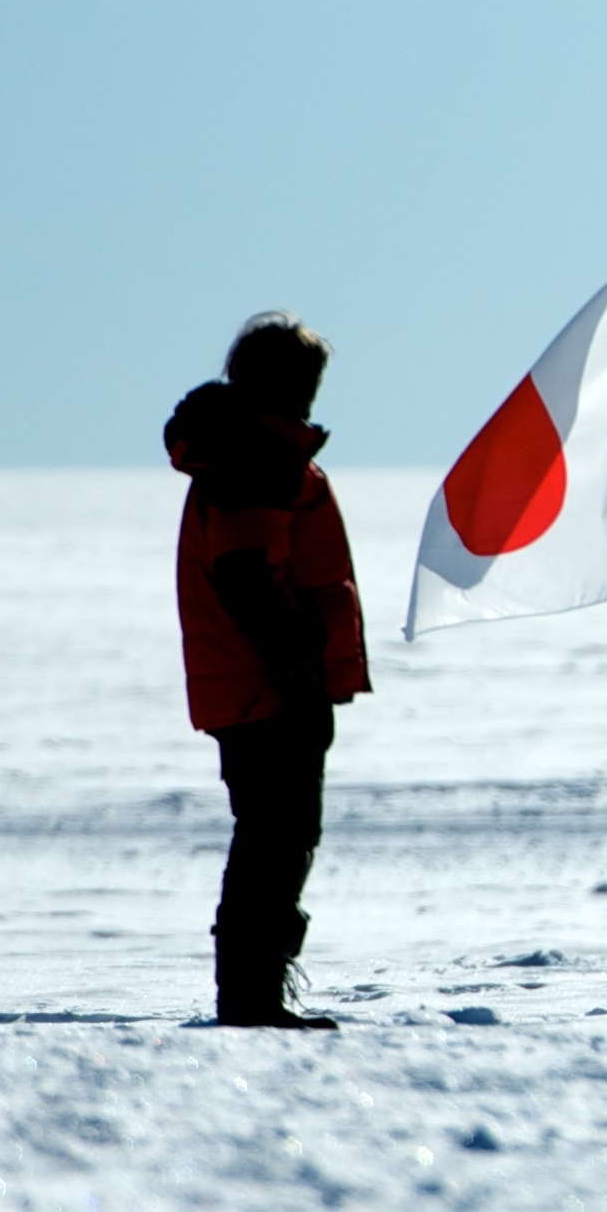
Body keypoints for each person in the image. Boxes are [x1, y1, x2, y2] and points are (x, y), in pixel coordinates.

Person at [164, 316, 371, 1029]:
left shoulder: (245, 452)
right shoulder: (258, 456)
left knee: (273, 836)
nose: (313, 393)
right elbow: (249, 575)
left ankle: (253, 994)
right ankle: (250, 1000)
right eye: (305, 378)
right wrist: (302, 669)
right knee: (277, 839)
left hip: (250, 682)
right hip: (267, 685)